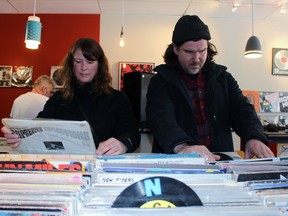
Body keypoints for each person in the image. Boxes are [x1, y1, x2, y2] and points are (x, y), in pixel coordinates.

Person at [145, 15, 275, 162]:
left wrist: (254, 137)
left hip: (220, 161)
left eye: (202, 51)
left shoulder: (223, 78)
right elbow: (160, 118)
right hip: (179, 161)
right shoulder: (161, 80)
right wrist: (181, 146)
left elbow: (242, 110)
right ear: (175, 49)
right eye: (189, 52)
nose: (197, 58)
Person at [2, 38, 140, 156]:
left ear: (99, 66)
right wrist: (19, 135)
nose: (84, 67)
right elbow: (38, 127)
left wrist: (123, 144)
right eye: (78, 61)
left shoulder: (117, 98)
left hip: (104, 169)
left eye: (90, 62)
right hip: (66, 170)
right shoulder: (58, 99)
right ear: (71, 64)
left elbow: (133, 133)